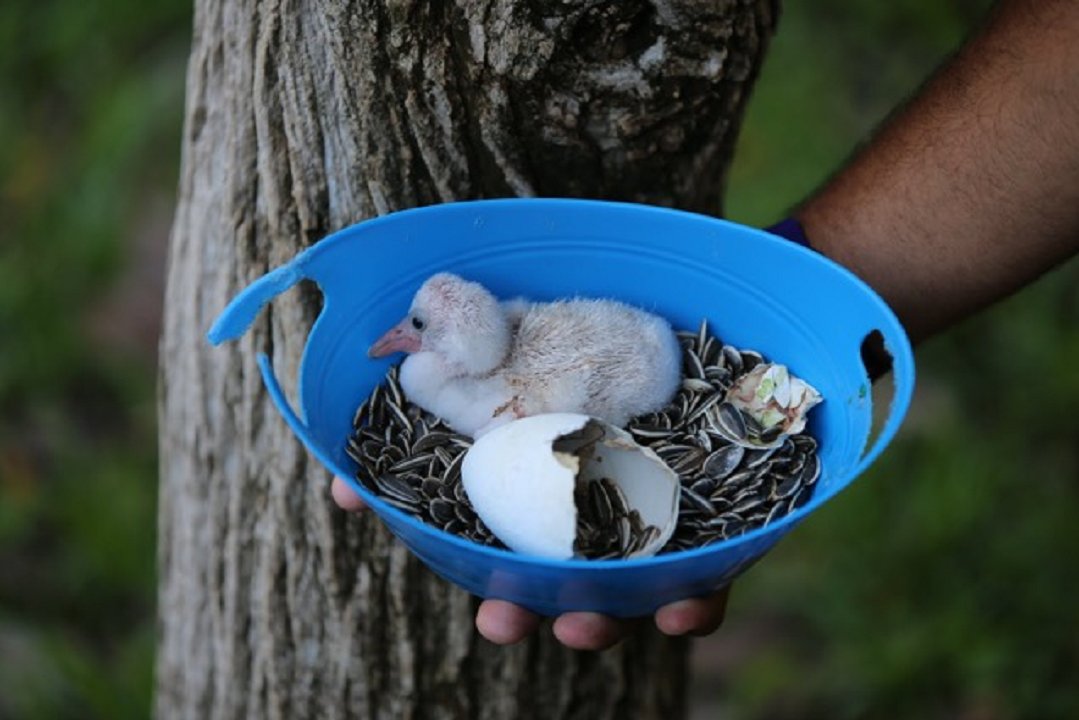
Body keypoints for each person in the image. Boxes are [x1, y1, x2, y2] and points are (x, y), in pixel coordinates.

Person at [332, 0, 1079, 650]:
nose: (401, 337)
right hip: (641, 361)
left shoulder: (490, 398)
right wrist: (800, 289)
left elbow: (550, 408)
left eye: (415, 326)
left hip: (624, 379)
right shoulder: (502, 332)